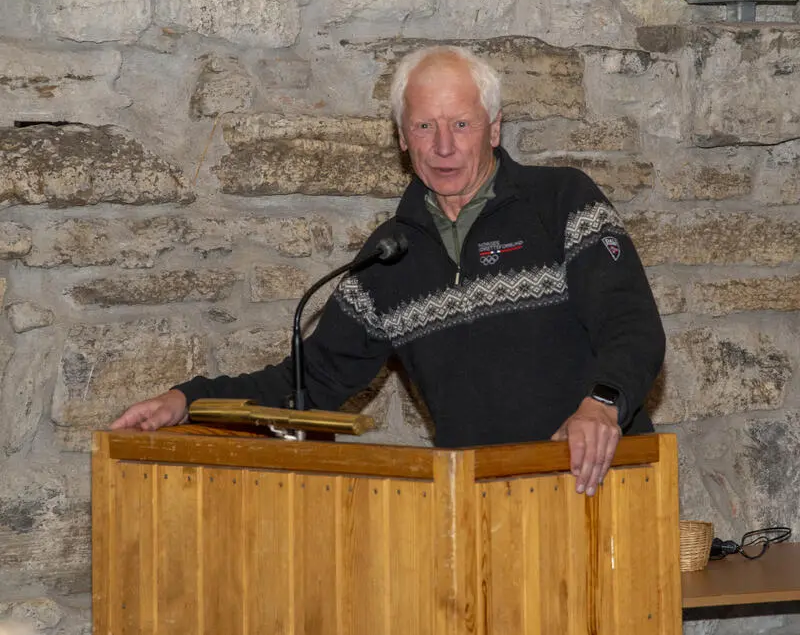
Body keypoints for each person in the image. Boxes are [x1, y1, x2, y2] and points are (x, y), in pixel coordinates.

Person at [112, 45, 665, 498]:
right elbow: (309, 384)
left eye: (461, 123)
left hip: (598, 485)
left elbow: (632, 326)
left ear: (494, 128)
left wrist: (601, 406)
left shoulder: (564, 201)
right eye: (424, 126)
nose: (443, 146)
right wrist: (188, 399)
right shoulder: (389, 255)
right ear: (402, 138)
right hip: (475, 501)